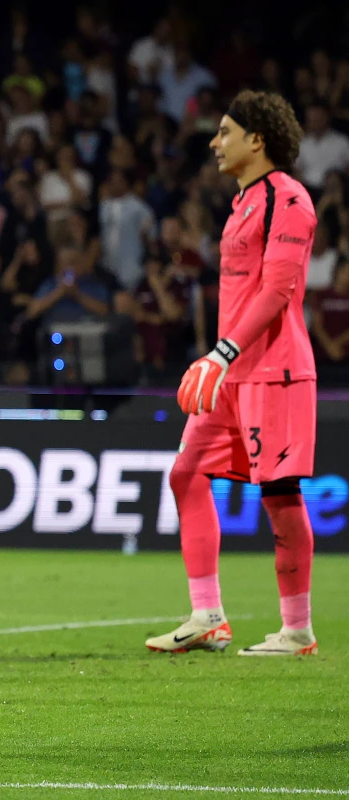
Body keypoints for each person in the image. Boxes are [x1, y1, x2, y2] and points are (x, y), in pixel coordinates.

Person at [147, 90, 319, 657]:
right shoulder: (243, 202)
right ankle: (207, 617)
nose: (215, 143)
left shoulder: (288, 199)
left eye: (224, 132)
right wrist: (221, 359)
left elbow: (278, 289)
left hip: (274, 368)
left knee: (279, 492)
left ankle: (297, 630)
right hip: (231, 369)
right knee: (185, 472)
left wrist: (220, 353)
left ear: (257, 139)